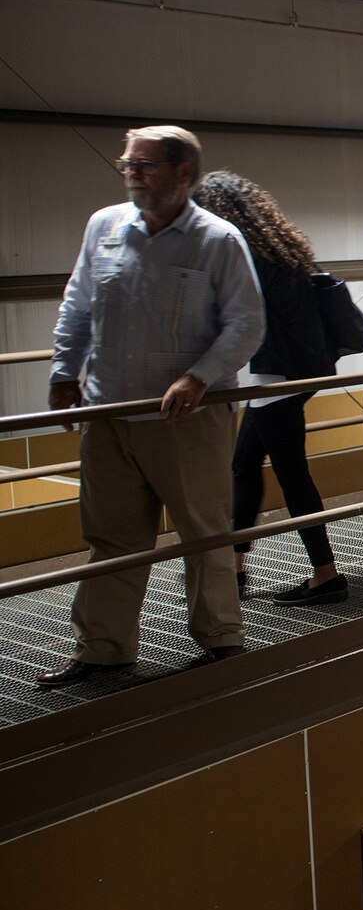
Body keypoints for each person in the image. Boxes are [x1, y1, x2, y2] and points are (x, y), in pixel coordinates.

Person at [38, 125, 262, 687]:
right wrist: (65, 371)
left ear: (183, 173)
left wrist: (198, 377)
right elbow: (78, 302)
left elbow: (246, 324)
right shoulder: (104, 227)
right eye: (128, 165)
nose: (131, 173)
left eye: (145, 165)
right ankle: (104, 650)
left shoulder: (217, 240)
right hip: (108, 412)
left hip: (186, 418)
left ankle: (220, 644)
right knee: (112, 538)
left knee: (203, 533)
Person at [193, 171, 346, 608]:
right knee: (244, 464)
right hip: (289, 371)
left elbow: (240, 317)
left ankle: (326, 575)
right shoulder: (273, 246)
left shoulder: (248, 253)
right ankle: (237, 567)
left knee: (291, 474)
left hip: (275, 376)